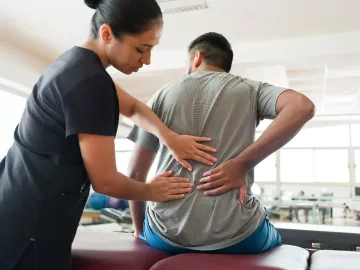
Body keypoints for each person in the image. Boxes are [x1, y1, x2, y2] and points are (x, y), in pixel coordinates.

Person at [0, 1, 218, 269]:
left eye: (151, 49)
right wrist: (152, 191)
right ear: (106, 34)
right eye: (141, 48)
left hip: (15, 202)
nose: (147, 59)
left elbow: (134, 107)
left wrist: (170, 138)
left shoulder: (75, 64)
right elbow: (106, 182)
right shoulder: (90, 83)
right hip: (30, 223)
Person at [128, 32, 315, 254]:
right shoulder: (249, 89)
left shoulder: (161, 94)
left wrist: (139, 231)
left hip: (164, 235)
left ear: (196, 58)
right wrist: (242, 164)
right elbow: (302, 106)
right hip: (237, 237)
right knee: (273, 237)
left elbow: (135, 175)